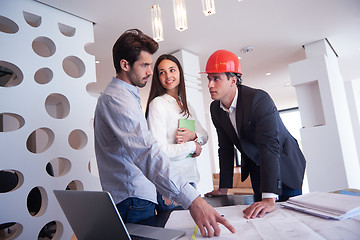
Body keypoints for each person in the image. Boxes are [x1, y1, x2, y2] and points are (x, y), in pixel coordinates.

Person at [94, 29, 235, 237]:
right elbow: (148, 151)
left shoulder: (127, 96)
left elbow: (201, 135)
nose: (150, 72)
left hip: (143, 194)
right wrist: (193, 199)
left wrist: (194, 138)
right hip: (134, 198)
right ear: (125, 65)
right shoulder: (119, 100)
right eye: (145, 65)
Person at [203, 49, 306, 219]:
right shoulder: (215, 109)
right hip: (257, 167)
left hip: (284, 163)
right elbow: (225, 148)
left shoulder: (258, 99)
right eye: (209, 79)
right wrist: (224, 187)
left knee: (292, 219)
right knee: (261, 217)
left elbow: (269, 146)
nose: (210, 85)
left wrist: (269, 197)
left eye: (216, 78)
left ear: (233, 80)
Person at [145, 54, 208, 211]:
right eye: (162, 72)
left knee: (191, 233)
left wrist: (193, 136)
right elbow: (159, 150)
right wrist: (193, 146)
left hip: (190, 180)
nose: (168, 76)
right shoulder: (158, 104)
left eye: (172, 70)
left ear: (179, 72)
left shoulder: (186, 105)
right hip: (171, 183)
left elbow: (204, 135)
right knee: (179, 232)